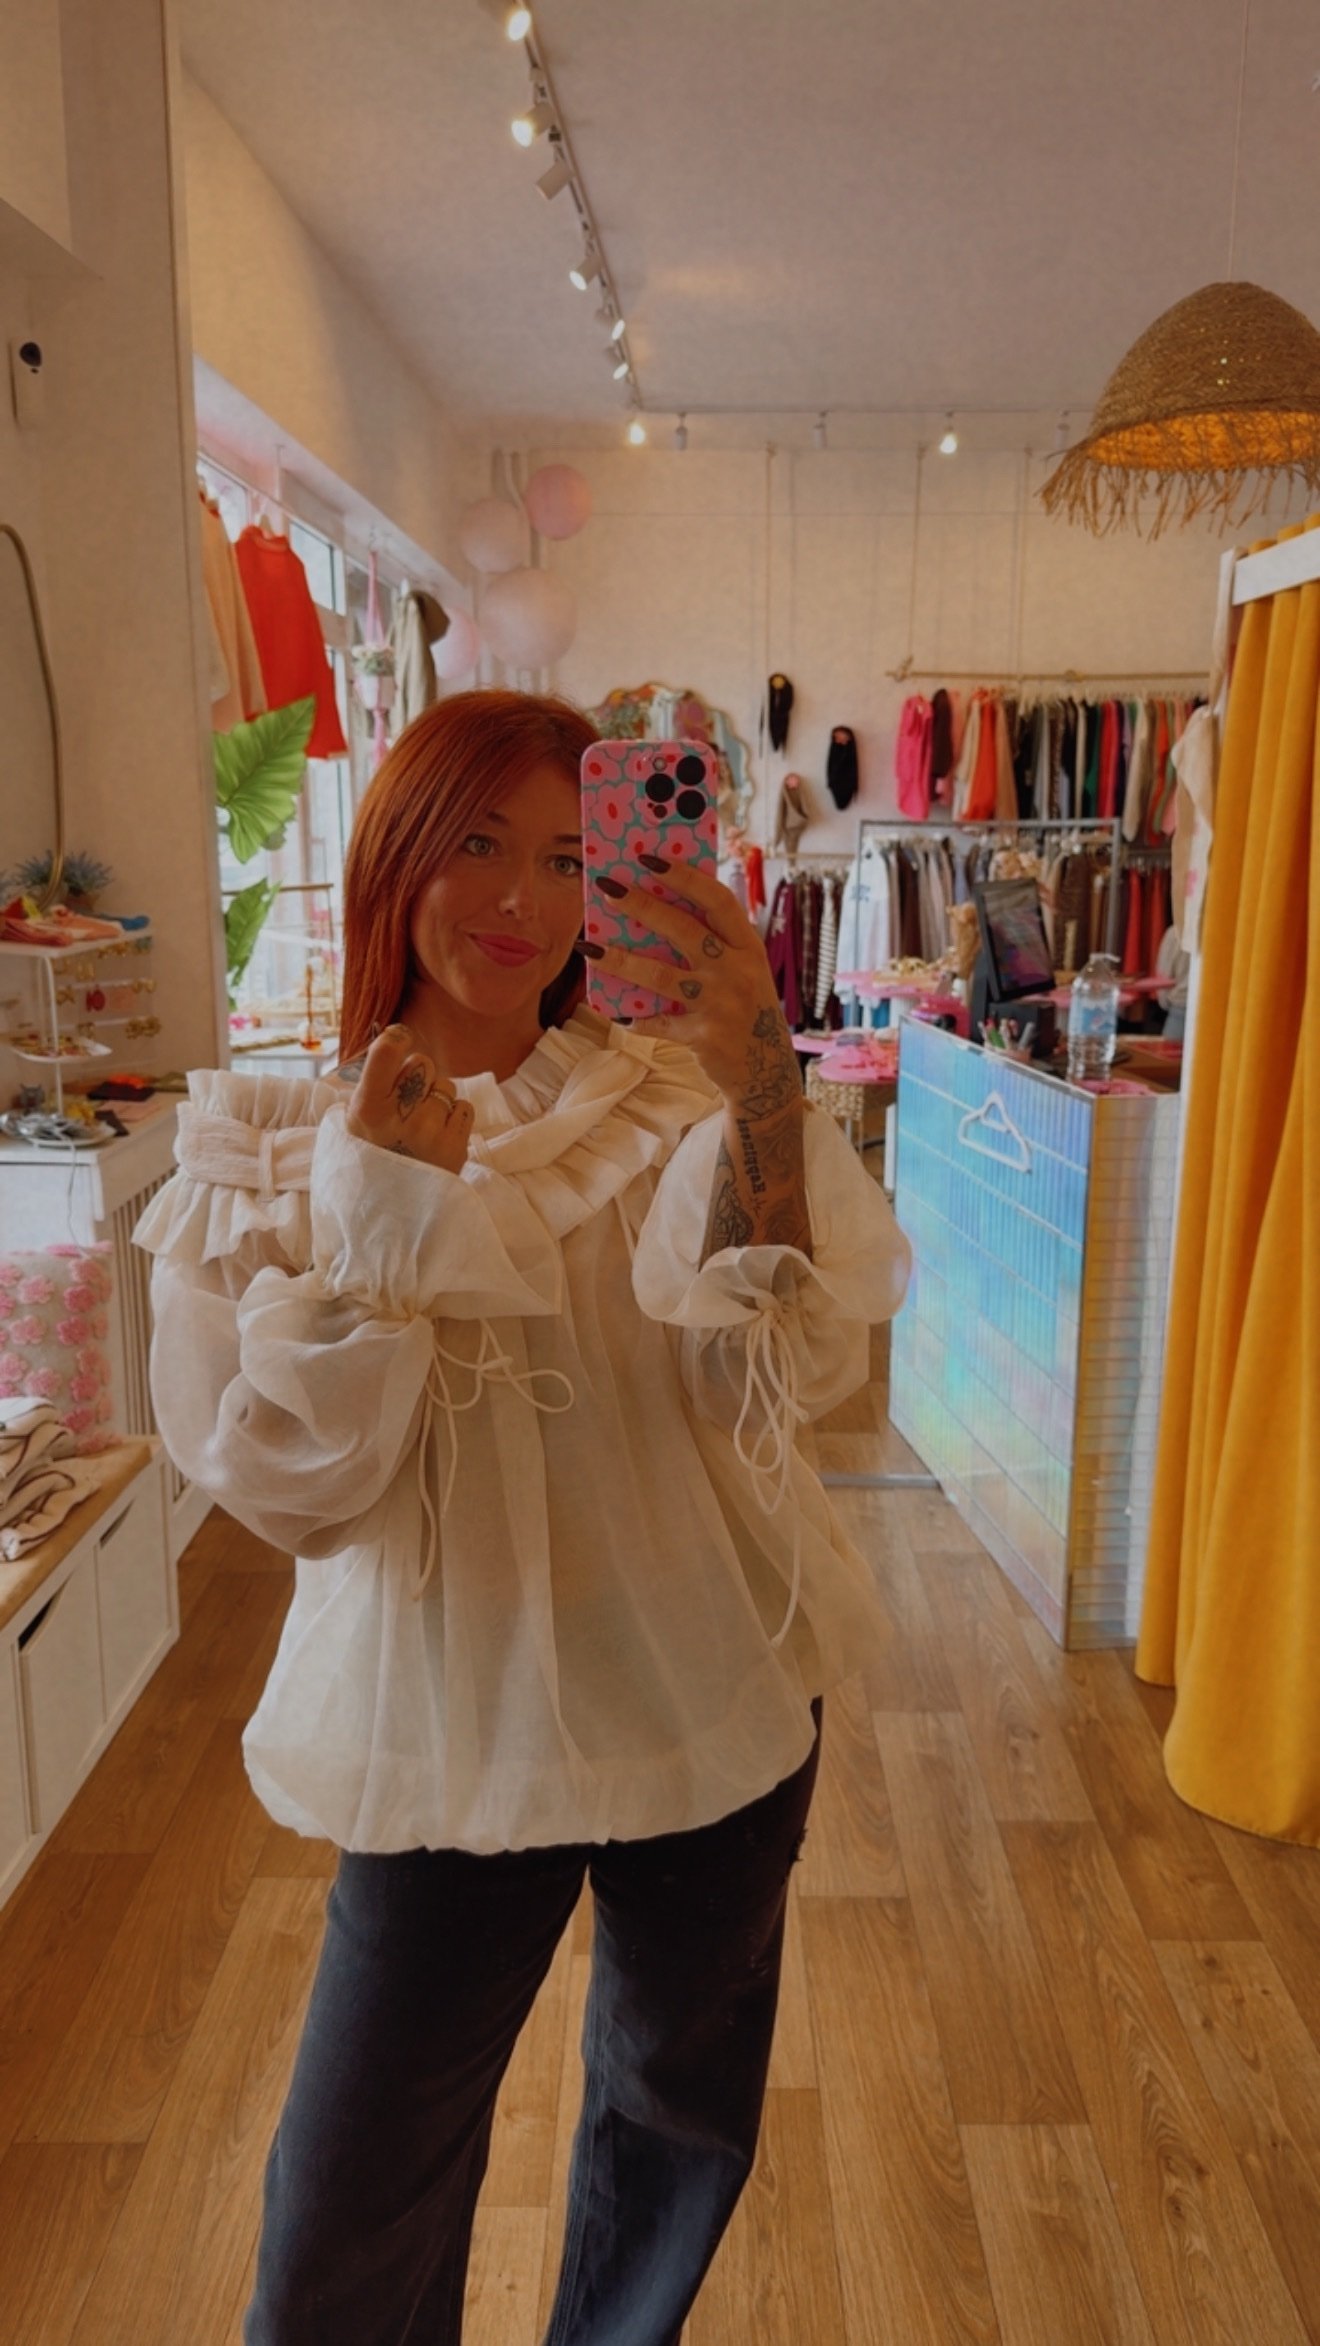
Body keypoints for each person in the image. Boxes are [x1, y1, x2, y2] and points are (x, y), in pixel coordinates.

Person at [137, 689, 910, 2346]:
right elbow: (299, 1489)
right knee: (348, 2206)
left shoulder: (662, 1098)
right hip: (451, 1714)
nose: (522, 900)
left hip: (711, 1675)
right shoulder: (274, 1157)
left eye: (570, 855)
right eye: (478, 842)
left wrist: (759, 1082)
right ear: (394, 851)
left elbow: (775, 1380)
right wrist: (387, 1210)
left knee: (676, 2114)